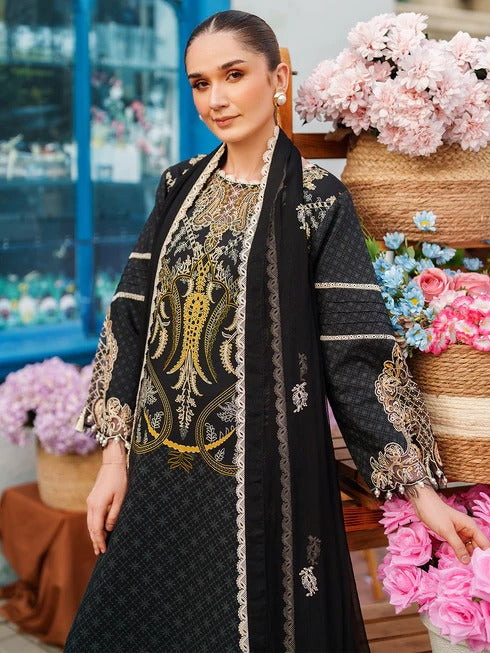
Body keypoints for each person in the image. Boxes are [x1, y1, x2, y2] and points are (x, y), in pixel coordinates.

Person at [64, 10, 490, 653]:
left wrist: (421, 492)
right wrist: (112, 460)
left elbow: (354, 354)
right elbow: (129, 316)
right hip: (158, 471)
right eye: (200, 83)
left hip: (260, 477)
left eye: (233, 75)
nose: (216, 98)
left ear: (278, 78)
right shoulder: (178, 186)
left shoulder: (317, 200)